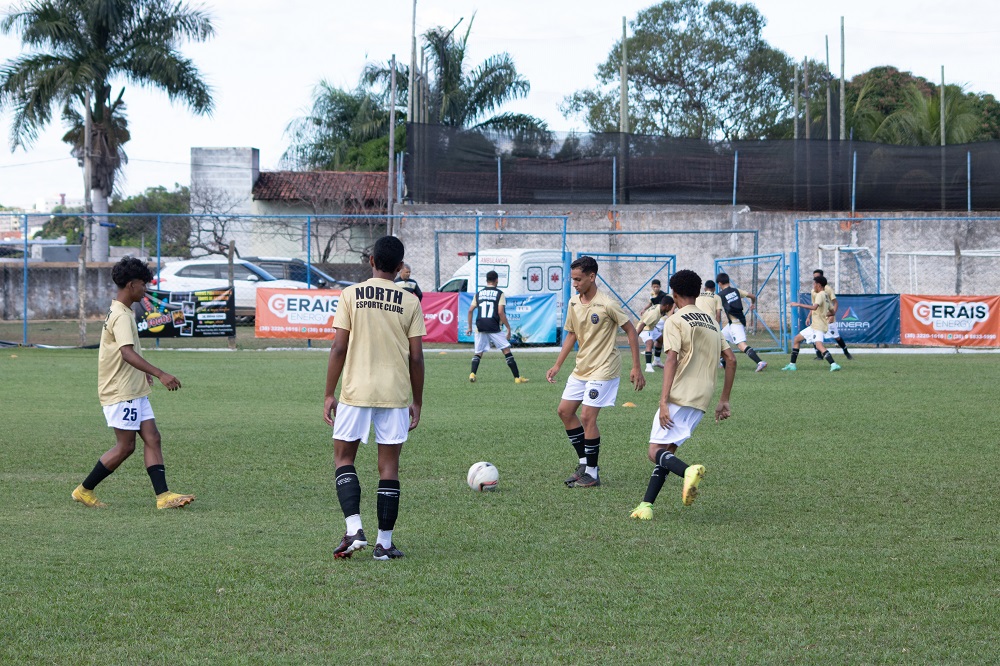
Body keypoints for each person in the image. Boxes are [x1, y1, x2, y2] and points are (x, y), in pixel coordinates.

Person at [324, 236, 426, 560]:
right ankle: (384, 543)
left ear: (370, 260)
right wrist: (418, 401)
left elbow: (338, 347)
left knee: (344, 459)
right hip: (395, 394)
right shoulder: (410, 301)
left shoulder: (350, 294)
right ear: (400, 268)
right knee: (389, 468)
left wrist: (329, 392)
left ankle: (354, 528)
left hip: (356, 391)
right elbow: (417, 358)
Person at [71, 257, 194, 510]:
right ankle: (84, 490)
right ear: (130, 285)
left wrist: (143, 373)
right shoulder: (121, 315)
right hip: (120, 391)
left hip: (133, 388)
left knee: (153, 437)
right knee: (126, 446)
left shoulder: (123, 310)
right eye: (143, 284)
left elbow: (127, 352)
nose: (145, 289)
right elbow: (126, 352)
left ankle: (164, 497)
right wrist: (160, 373)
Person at [630, 269, 736, 520]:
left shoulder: (675, 321)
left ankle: (689, 472)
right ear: (698, 293)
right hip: (702, 400)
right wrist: (724, 400)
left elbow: (670, 360)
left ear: (674, 294)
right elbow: (730, 360)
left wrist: (663, 401)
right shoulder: (711, 320)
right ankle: (646, 506)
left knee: (654, 450)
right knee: (667, 453)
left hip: (679, 396)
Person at [546, 256, 646, 488]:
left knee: (588, 417)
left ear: (592, 277)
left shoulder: (607, 304)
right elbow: (572, 334)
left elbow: (631, 331)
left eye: (578, 279)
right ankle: (584, 463)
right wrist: (558, 364)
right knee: (564, 411)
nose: (575, 283)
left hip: (604, 368)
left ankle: (592, 473)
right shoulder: (573, 303)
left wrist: (636, 366)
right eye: (573, 279)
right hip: (583, 367)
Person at [467, 270, 528, 384]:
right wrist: (508, 328)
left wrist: (470, 327)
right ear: (497, 280)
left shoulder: (478, 293)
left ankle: (472, 373)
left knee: (478, 352)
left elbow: (470, 310)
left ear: (486, 280)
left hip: (480, 325)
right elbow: (500, 312)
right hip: (493, 325)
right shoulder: (500, 293)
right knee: (506, 350)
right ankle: (517, 378)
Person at [782, 275, 842, 372]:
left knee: (818, 345)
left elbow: (814, 307)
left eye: (814, 284)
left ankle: (834, 364)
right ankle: (792, 365)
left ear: (818, 285)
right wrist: (823, 314)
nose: (813, 286)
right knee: (797, 339)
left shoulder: (820, 295)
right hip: (815, 325)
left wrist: (798, 304)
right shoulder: (826, 296)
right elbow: (832, 312)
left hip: (818, 326)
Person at [715, 273, 768, 372]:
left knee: (741, 345)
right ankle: (723, 362)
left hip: (736, 324)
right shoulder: (736, 291)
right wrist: (752, 304)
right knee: (719, 339)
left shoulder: (720, 295)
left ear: (719, 283)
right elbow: (752, 296)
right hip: (735, 322)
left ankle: (760, 362)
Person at [811, 269, 853, 361]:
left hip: (828, 318)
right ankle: (819, 356)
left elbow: (835, 303)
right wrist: (808, 316)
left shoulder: (828, 289)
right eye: (814, 277)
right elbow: (814, 306)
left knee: (836, 336)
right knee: (814, 335)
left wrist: (832, 315)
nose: (815, 279)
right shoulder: (814, 291)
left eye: (817, 277)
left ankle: (846, 352)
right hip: (818, 319)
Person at [638, 293, 674, 373]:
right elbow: (642, 325)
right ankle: (648, 366)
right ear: (667, 306)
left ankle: (657, 361)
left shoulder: (660, 307)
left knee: (661, 339)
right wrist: (633, 337)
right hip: (645, 328)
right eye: (671, 307)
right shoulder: (653, 314)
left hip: (651, 327)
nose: (671, 309)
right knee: (649, 343)